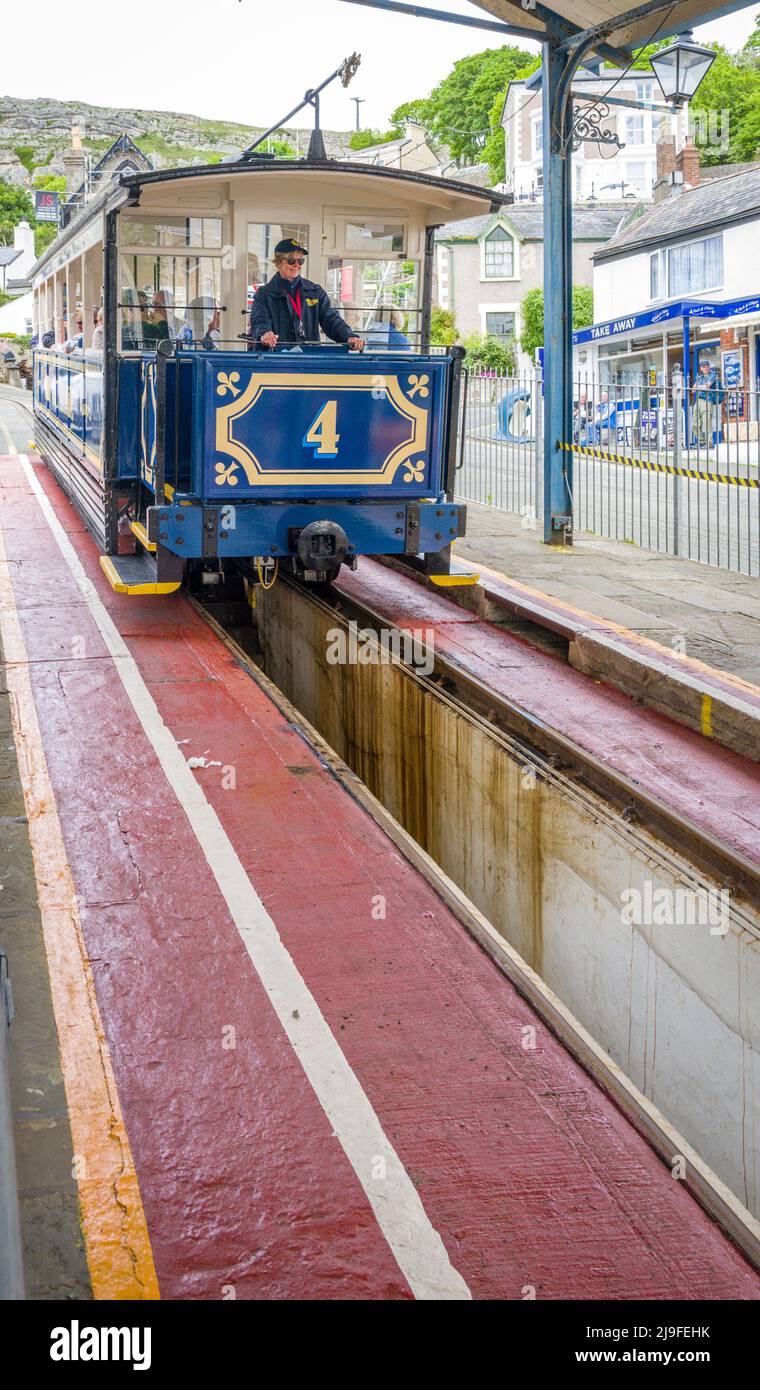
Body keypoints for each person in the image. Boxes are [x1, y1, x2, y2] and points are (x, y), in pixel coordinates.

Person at [250, 238, 363, 350]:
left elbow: (331, 319)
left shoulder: (314, 291)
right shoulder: (264, 295)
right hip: (277, 359)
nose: (296, 265)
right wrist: (264, 334)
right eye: (291, 261)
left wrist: (348, 336)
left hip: (309, 359)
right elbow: (259, 320)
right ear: (278, 263)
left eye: (300, 261)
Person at [692, 359, 721, 447]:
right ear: (701, 368)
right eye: (704, 367)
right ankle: (701, 441)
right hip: (698, 400)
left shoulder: (713, 374)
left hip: (707, 400)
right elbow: (693, 390)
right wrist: (701, 387)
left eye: (707, 366)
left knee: (706, 422)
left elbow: (707, 386)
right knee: (695, 423)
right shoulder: (699, 377)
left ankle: (710, 442)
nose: (706, 368)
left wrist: (699, 387)